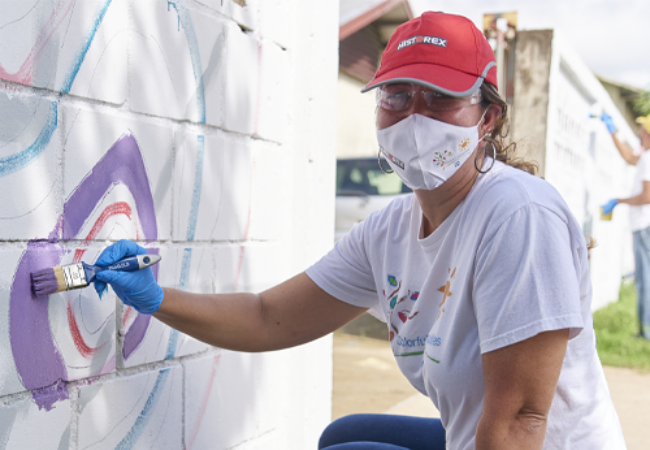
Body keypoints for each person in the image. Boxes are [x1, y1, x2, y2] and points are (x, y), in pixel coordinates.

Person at [93, 12, 626, 450]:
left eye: (440, 97)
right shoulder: (389, 232)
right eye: (397, 95)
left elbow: (521, 421)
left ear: (487, 118)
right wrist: (156, 298)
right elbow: (266, 318)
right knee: (345, 436)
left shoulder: (518, 217)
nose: (415, 117)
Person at [600, 111, 650, 340]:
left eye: (642, 128)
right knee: (643, 278)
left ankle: (646, 331)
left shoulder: (649, 158)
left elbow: (647, 196)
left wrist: (619, 201)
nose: (639, 131)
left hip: (645, 225)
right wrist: (612, 132)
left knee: (645, 278)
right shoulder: (645, 156)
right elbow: (629, 157)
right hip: (642, 226)